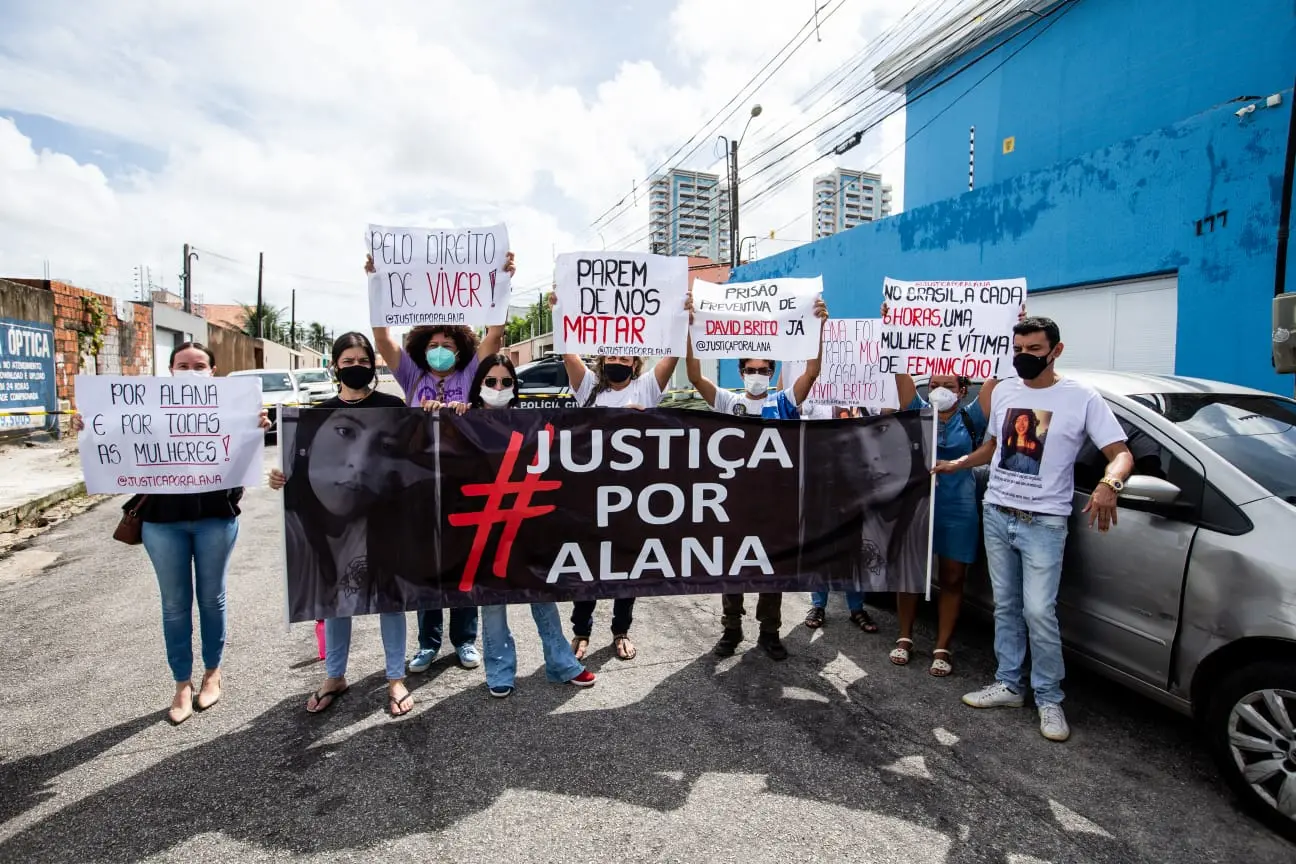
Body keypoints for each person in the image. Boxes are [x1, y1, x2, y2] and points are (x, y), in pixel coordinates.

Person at [934, 317, 1133, 742]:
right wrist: (959, 463)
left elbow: (1120, 453)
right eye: (1018, 349)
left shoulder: (1080, 397)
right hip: (998, 512)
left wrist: (1108, 484)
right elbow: (993, 446)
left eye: (1034, 350)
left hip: (1044, 521)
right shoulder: (1005, 390)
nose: (1023, 357)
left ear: (1056, 351)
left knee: (1039, 611)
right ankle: (1009, 684)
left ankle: (1049, 697)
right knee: (1004, 606)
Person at [73, 343, 270, 725]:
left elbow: (244, 460)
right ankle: (182, 682)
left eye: (199, 366)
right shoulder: (147, 410)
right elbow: (113, 445)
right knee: (175, 605)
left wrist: (257, 428)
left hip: (216, 517)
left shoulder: (232, 410)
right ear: (170, 370)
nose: (191, 371)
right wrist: (88, 430)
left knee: (212, 599)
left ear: (213, 371)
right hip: (161, 523)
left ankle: (213, 673)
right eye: (183, 365)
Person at [364, 252, 516, 674]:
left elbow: (497, 332)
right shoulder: (412, 376)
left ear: (461, 348)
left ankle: (465, 640)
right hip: (420, 484)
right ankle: (428, 643)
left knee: (464, 564)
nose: (441, 350)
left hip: (464, 482)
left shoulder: (471, 373)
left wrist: (502, 281)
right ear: (421, 349)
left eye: (448, 344)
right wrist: (378, 284)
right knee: (427, 565)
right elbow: (382, 339)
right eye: (433, 345)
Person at [269, 332, 422, 717]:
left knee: (391, 600)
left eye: (363, 361)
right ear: (334, 366)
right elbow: (302, 469)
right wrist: (281, 477)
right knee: (335, 600)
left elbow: (413, 460)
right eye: (348, 361)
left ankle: (394, 677)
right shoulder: (316, 415)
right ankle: (334, 675)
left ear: (374, 364)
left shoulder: (394, 407)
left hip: (386, 518)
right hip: (334, 524)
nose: (356, 367)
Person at [429, 354, 597, 697]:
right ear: (479, 386)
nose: (499, 388)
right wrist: (439, 415)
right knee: (492, 603)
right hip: (483, 527)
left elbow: (569, 440)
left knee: (542, 596)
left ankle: (562, 664)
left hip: (526, 524)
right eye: (491, 382)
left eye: (507, 382)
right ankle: (500, 671)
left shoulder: (529, 420)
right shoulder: (464, 420)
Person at [685, 294, 830, 661]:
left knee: (772, 569)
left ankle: (770, 632)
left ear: (771, 372)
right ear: (741, 372)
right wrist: (689, 328)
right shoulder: (727, 402)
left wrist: (818, 328)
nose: (757, 376)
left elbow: (812, 373)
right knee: (732, 567)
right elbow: (694, 376)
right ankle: (731, 630)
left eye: (764, 370)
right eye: (751, 370)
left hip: (773, 503)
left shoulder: (783, 403)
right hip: (733, 502)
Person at [547, 289, 683, 662]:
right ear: (603, 358)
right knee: (588, 565)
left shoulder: (647, 388)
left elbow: (673, 351)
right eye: (612, 354)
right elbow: (567, 348)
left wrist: (682, 317)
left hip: (633, 496)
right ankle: (582, 630)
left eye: (625, 354)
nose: (618, 359)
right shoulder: (589, 387)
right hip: (591, 495)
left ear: (635, 361)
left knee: (628, 565)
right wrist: (560, 310)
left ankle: (621, 630)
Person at [887, 370, 998, 676]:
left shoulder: (972, 418)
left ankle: (942, 645)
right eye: (934, 385)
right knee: (911, 573)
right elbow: (901, 373)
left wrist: (1009, 329)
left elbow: (994, 380)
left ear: (962, 391)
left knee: (952, 577)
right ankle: (905, 636)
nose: (939, 390)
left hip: (958, 505)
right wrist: (893, 329)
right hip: (916, 504)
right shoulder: (918, 411)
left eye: (948, 386)